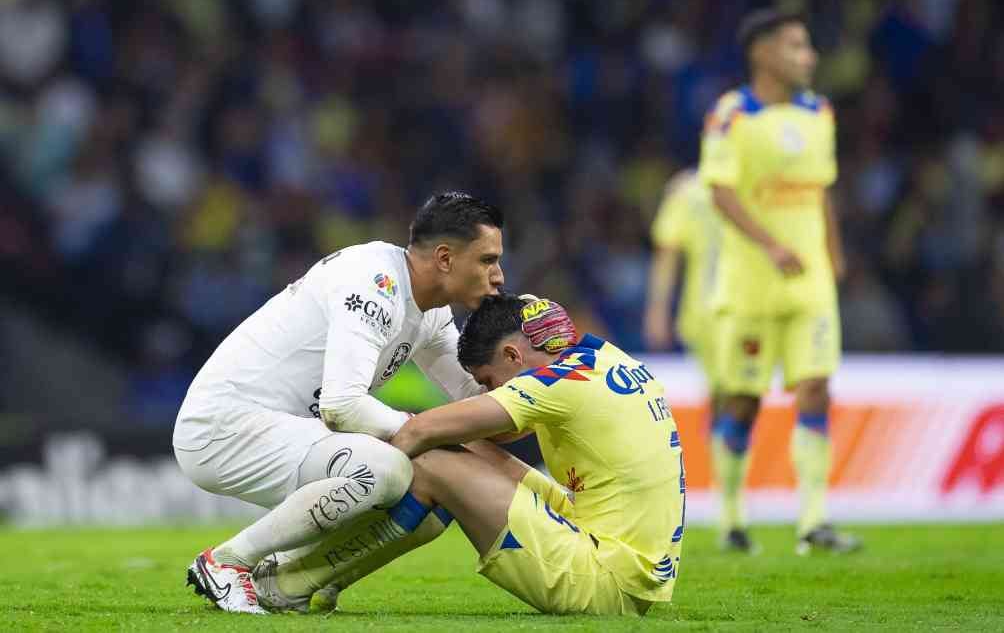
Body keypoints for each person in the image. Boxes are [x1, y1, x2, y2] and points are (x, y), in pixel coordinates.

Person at [174, 192, 505, 613]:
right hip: (225, 424)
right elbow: (342, 406)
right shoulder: (374, 282)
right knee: (384, 469)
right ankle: (224, 562)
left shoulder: (431, 311)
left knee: (439, 490)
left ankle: (287, 581)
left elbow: (480, 406)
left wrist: (538, 380)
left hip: (285, 429)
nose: (498, 275)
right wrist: (420, 430)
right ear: (444, 258)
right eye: (487, 260)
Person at [258, 294, 686, 615]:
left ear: (514, 355)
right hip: (621, 560)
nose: (487, 392)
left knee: (429, 457)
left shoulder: (556, 383)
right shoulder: (606, 360)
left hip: (603, 581)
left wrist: (359, 472)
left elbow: (423, 432)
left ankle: (296, 579)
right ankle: (323, 579)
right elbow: (488, 435)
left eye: (487, 380)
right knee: (461, 450)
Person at [698, 9, 860, 554]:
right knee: (743, 400)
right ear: (762, 53)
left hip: (810, 282)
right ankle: (731, 518)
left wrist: (834, 255)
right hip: (749, 285)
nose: (809, 57)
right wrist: (769, 244)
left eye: (808, 46)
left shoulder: (821, 113)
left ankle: (813, 522)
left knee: (816, 388)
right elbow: (720, 191)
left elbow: (821, 190)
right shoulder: (731, 115)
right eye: (797, 46)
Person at [644, 170, 742, 548]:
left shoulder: (758, 179)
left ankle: (728, 501)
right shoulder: (688, 191)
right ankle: (730, 513)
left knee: (738, 400)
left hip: (753, 308)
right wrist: (657, 309)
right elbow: (668, 253)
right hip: (708, 314)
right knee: (731, 398)